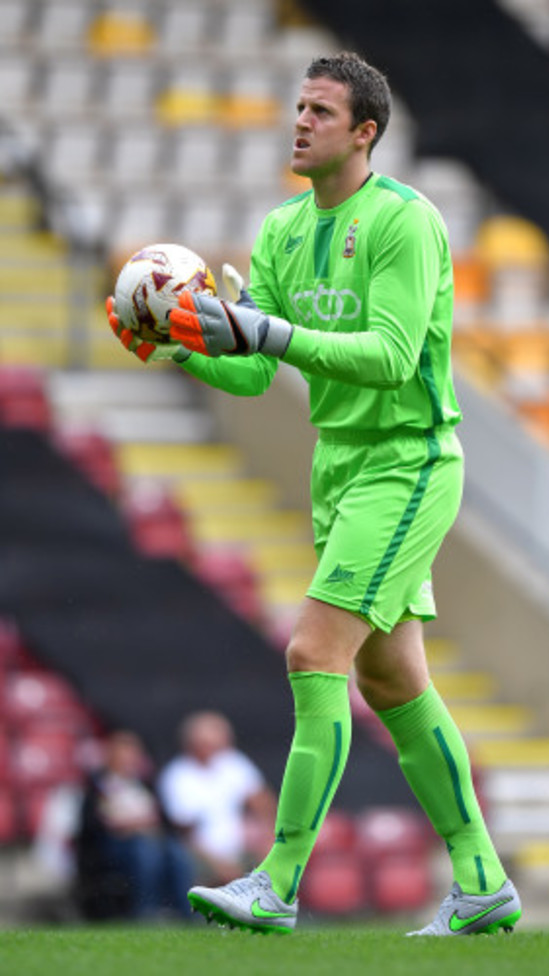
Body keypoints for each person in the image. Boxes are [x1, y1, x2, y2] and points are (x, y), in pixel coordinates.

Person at [107, 51, 522, 937]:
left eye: (320, 112)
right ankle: (482, 878)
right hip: (339, 466)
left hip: (407, 461)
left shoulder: (404, 222)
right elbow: (259, 372)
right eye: (298, 107)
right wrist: (179, 345)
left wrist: (267, 325)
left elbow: (392, 355)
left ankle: (280, 877)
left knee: (313, 652)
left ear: (364, 132)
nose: (300, 122)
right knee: (390, 674)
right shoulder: (285, 229)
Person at [75, 729, 193, 920]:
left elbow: (163, 819)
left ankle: (184, 910)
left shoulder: (144, 784)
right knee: (143, 850)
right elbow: (92, 823)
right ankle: (145, 909)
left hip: (151, 838)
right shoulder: (97, 785)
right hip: (113, 846)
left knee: (175, 851)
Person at [157, 711, 276, 885]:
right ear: (194, 744)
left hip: (240, 850)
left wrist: (268, 836)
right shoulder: (177, 776)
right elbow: (185, 834)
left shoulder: (232, 762)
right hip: (198, 856)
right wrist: (219, 864)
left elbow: (261, 800)